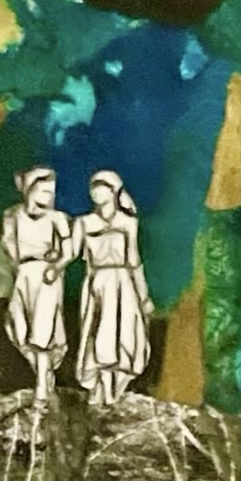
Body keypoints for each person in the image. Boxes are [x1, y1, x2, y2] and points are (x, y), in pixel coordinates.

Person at [73, 169, 153, 404]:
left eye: (102, 187)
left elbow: (133, 260)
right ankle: (101, 389)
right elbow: (71, 253)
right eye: (94, 187)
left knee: (125, 335)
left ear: (114, 191)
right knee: (99, 334)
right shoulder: (83, 223)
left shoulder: (128, 222)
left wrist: (143, 295)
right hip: (97, 284)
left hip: (123, 284)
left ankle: (114, 390)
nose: (97, 192)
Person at [0, 168, 78, 400]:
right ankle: (43, 373)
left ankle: (42, 386)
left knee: (43, 329)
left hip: (48, 276)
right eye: (44, 191)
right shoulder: (12, 215)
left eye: (51, 192)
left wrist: (56, 267)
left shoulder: (58, 218)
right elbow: (9, 243)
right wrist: (18, 265)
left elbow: (68, 251)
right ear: (29, 190)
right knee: (17, 327)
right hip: (25, 274)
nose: (48, 196)